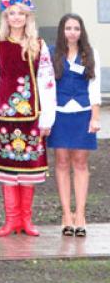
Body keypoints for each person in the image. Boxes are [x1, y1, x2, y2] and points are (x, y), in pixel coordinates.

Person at [0, 0, 56, 237]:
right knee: (7, 168)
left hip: (31, 117)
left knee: (28, 170)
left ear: (27, 17)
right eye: (11, 14)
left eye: (21, 14)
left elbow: (47, 82)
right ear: (6, 17)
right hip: (4, 118)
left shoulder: (39, 46)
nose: (16, 18)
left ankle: (26, 219)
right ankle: (11, 220)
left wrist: (47, 118)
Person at [47, 13, 102, 237]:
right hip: (59, 113)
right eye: (68, 28)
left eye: (76, 28)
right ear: (62, 31)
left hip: (82, 113)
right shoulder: (51, 54)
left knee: (79, 163)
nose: (72, 32)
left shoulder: (90, 53)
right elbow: (46, 87)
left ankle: (80, 214)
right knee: (61, 162)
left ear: (81, 31)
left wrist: (95, 117)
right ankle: (66, 215)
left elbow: (95, 87)